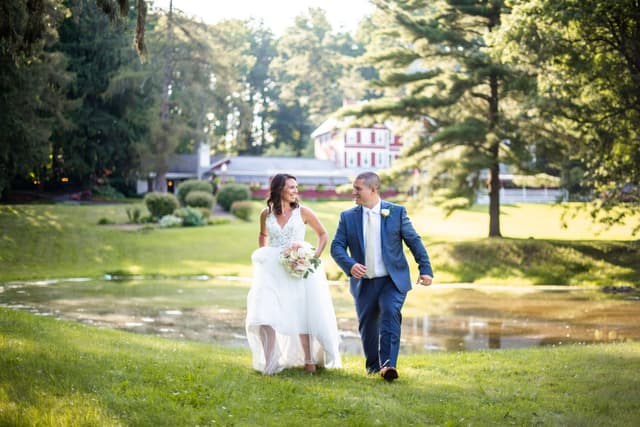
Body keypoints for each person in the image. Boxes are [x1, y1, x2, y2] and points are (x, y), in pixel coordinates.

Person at [330, 171, 433, 382]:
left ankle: (388, 366)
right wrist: (350, 265)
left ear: (373, 189)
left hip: (392, 280)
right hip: (363, 283)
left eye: (358, 189)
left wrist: (425, 269)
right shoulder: (347, 217)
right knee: (368, 325)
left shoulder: (396, 212)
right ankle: (373, 368)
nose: (354, 193)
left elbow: (414, 241)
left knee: (390, 312)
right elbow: (337, 247)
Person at [246, 173, 342, 374]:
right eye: (291, 187)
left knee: (301, 312)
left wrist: (312, 257)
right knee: (265, 313)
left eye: (296, 187)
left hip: (297, 266)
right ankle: (271, 362)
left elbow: (323, 234)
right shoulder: (266, 213)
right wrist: (264, 257)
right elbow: (263, 235)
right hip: (271, 269)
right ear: (279, 188)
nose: (295, 191)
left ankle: (309, 360)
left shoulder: (303, 212)